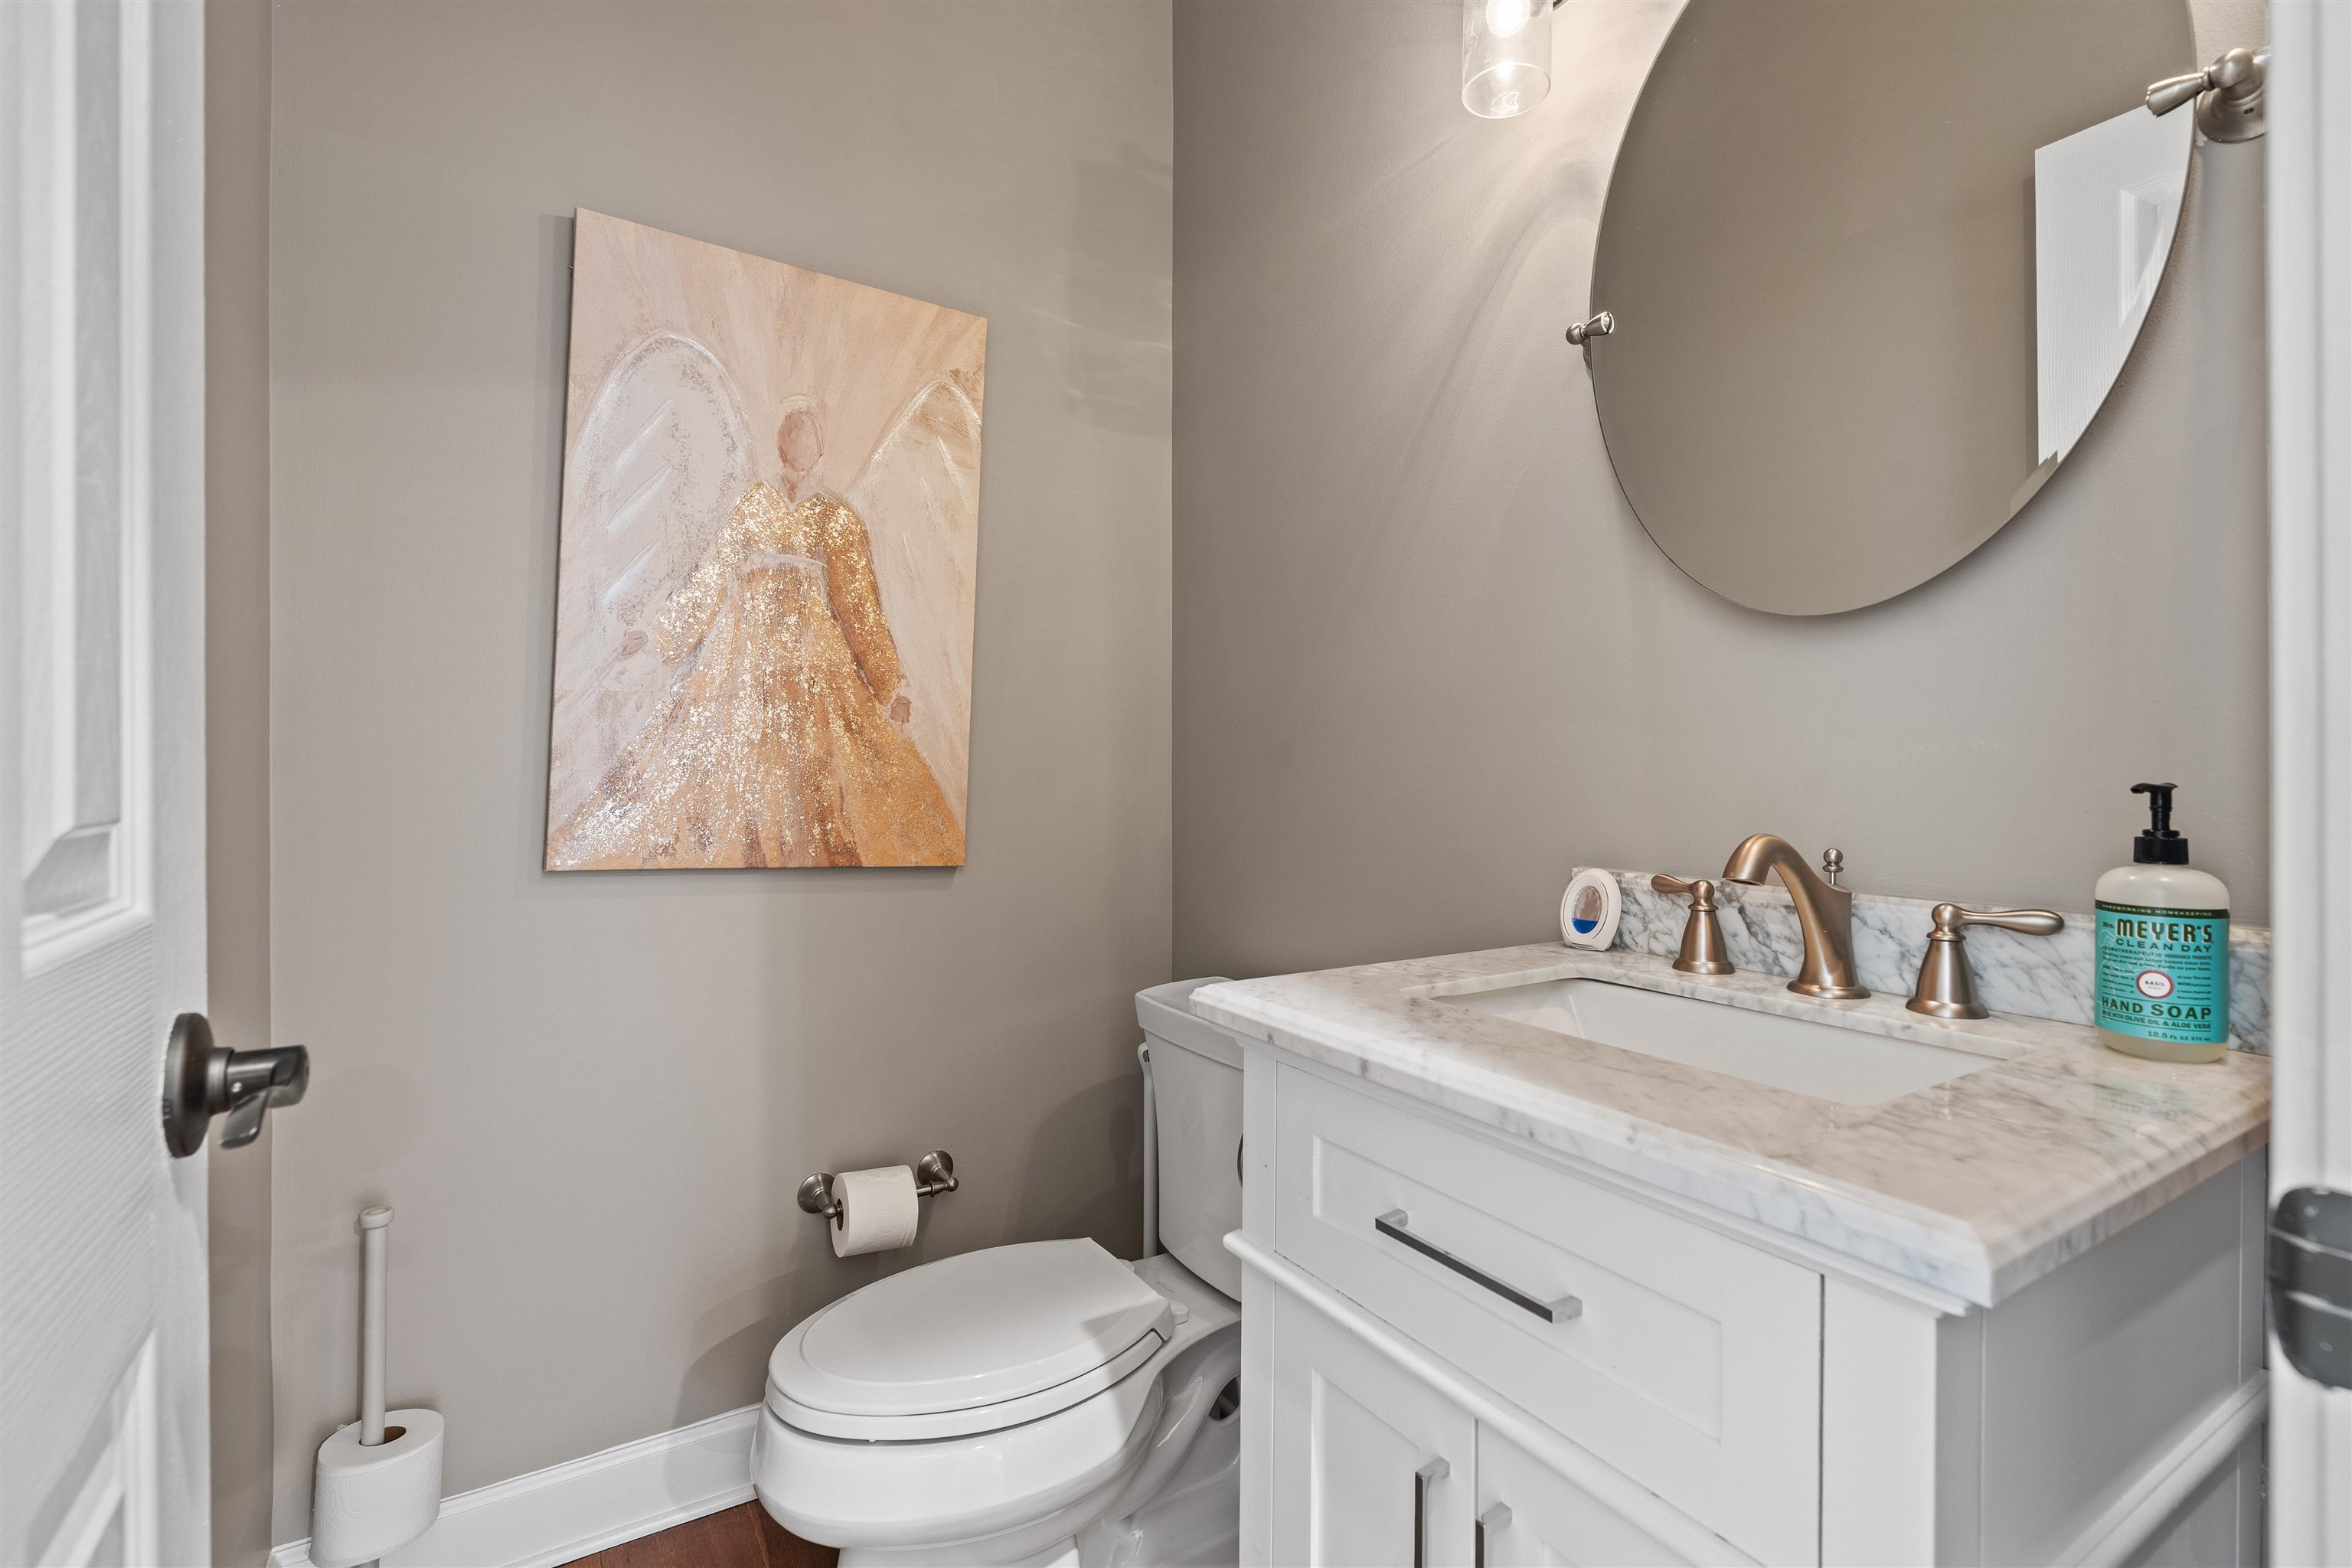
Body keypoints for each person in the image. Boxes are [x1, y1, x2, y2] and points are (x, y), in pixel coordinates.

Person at [547, 397, 965, 868]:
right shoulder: (751, 507)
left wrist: (891, 684)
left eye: (810, 440)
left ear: (820, 450)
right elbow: (709, 582)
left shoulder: (838, 519)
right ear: (782, 446)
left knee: (824, 784)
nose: (801, 449)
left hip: (816, 673)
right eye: (793, 438)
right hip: (746, 667)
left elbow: (861, 608)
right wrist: (655, 632)